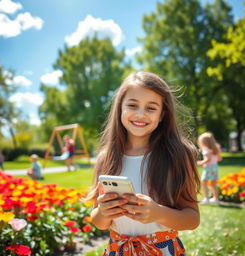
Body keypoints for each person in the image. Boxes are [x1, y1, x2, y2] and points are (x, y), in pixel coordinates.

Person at [85, 71, 200, 255]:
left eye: (151, 108)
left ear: (163, 114)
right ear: (120, 109)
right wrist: (103, 212)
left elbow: (192, 219)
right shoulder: (105, 158)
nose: (140, 114)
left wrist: (158, 213)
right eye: (132, 105)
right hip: (118, 250)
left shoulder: (177, 154)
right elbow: (99, 222)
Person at [197, 132, 222, 204]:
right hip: (215, 167)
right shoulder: (216, 149)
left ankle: (207, 199)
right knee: (213, 184)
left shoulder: (205, 149)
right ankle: (216, 199)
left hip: (208, 168)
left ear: (204, 142)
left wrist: (200, 162)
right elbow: (220, 159)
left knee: (203, 182)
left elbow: (208, 159)